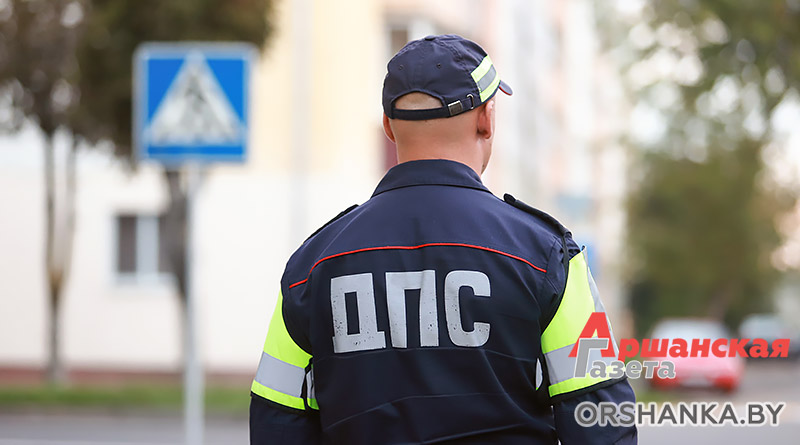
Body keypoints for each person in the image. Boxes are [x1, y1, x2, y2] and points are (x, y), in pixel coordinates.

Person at [249, 34, 637, 444]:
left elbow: (277, 423)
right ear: (486, 118)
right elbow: (602, 421)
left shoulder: (310, 266)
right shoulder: (548, 257)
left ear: (388, 127)